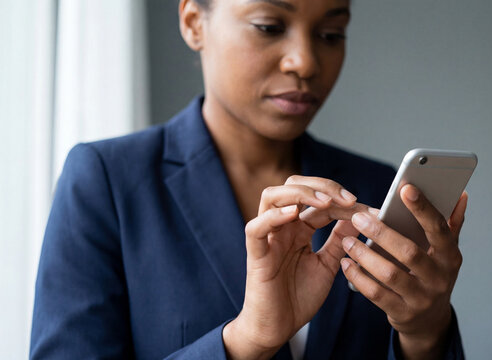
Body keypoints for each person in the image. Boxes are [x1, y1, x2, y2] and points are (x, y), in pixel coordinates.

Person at [30, 0, 467, 359]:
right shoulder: (106, 180)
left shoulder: (376, 189)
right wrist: (244, 341)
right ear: (193, 22)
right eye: (269, 25)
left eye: (331, 34)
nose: (306, 62)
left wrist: (425, 334)